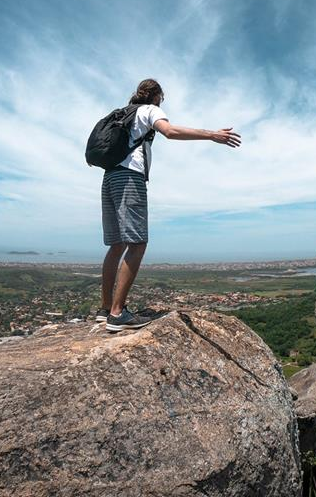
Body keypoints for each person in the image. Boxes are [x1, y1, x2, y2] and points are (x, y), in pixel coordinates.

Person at [99, 78, 241, 332]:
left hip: (109, 177)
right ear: (157, 97)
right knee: (137, 243)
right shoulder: (149, 110)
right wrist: (212, 135)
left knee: (117, 244)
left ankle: (104, 309)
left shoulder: (124, 114)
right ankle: (117, 314)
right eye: (161, 99)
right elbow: (170, 131)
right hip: (129, 177)